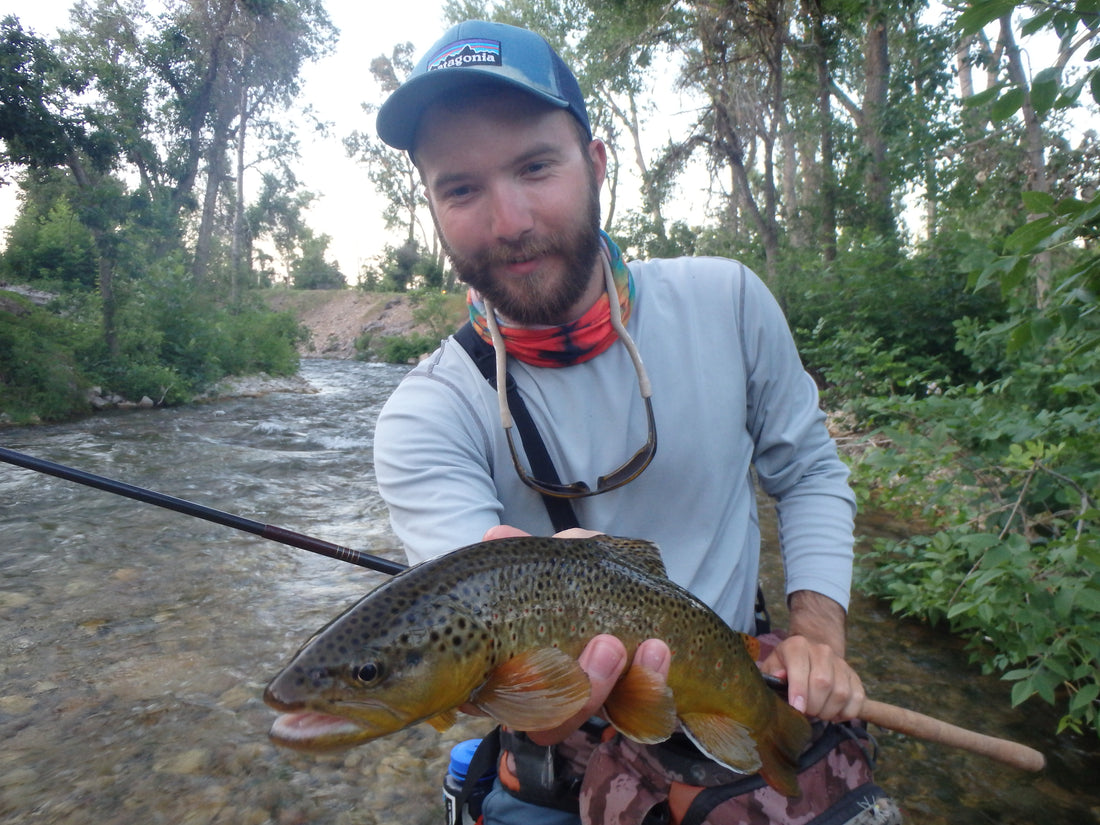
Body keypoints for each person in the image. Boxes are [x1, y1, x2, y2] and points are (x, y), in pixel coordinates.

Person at [372, 19, 873, 825]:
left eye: (536, 166)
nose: (508, 220)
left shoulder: (730, 303)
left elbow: (809, 472)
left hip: (732, 676)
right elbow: (465, 645)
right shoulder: (425, 416)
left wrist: (818, 632)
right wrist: (539, 698)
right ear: (430, 204)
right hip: (560, 752)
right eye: (460, 188)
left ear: (598, 163)